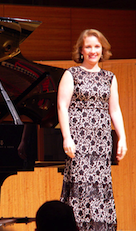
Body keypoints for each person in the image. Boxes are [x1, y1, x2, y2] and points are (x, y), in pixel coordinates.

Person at [57, 29, 127, 230]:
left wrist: (122, 138)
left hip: (102, 141)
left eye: (97, 46)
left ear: (103, 49)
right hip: (79, 140)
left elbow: (115, 110)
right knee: (80, 187)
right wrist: (66, 137)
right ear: (81, 50)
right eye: (88, 46)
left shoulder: (110, 77)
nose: (93, 51)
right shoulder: (71, 74)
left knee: (100, 188)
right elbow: (62, 106)